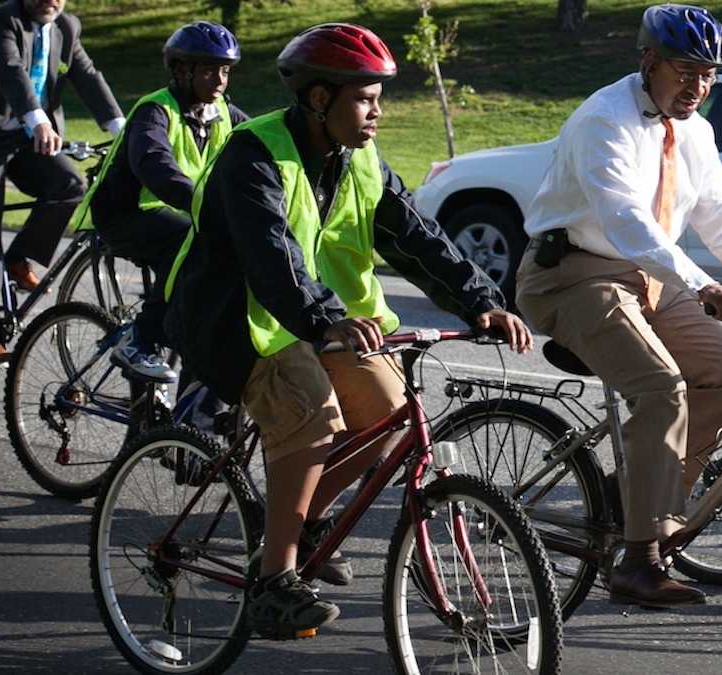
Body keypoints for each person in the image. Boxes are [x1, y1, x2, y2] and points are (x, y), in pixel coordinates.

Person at [163, 23, 532, 637]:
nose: (377, 112)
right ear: (318, 99)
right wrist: (327, 322)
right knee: (314, 413)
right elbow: (269, 254)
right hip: (233, 319)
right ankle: (275, 580)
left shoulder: (359, 159)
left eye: (378, 98)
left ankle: (305, 522)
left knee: (391, 416)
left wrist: (479, 302)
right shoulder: (252, 155)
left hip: (310, 318)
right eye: (365, 98)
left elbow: (416, 236)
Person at [516, 4, 722, 609]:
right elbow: (625, 220)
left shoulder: (695, 132)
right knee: (662, 387)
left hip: (649, 275)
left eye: (710, 74)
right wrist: (704, 284)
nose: (699, 87)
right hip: (574, 273)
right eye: (685, 71)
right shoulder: (603, 120)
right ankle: (639, 560)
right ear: (648, 62)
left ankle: (634, 499)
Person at [0, 0, 124, 365]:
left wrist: (123, 129)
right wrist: (36, 119)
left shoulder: (67, 27)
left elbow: (88, 75)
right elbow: (11, 72)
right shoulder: (2, 21)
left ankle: (18, 259)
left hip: (27, 140)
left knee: (69, 185)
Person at [70, 21, 248, 382]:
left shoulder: (223, 113)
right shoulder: (156, 110)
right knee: (192, 241)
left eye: (226, 70)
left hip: (176, 212)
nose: (220, 80)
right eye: (210, 70)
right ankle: (141, 340)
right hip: (125, 214)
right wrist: (203, 205)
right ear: (182, 70)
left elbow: (265, 145)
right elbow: (155, 164)